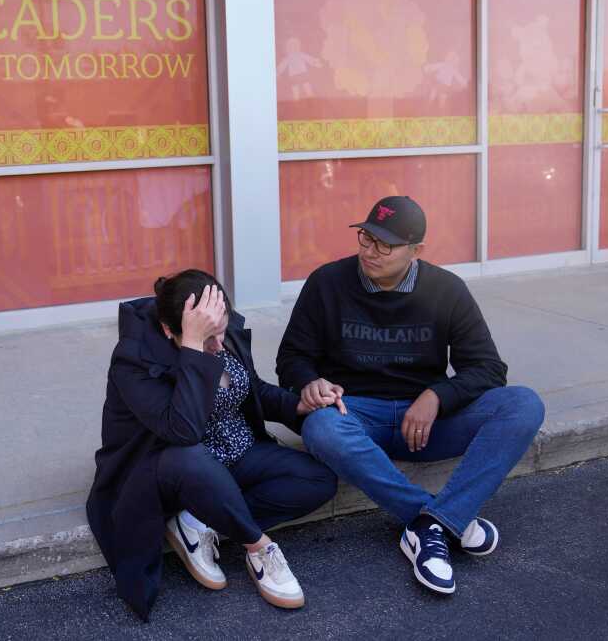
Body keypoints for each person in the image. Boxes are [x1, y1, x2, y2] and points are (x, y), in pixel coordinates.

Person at [276, 195, 545, 595]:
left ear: (416, 250)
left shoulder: (446, 290)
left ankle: (433, 522)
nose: (370, 251)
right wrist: (309, 382)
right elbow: (292, 358)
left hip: (426, 424)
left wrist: (437, 396)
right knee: (321, 428)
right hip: (355, 414)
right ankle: (438, 520)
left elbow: (489, 369)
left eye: (385, 244)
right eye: (366, 238)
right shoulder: (327, 283)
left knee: (523, 405)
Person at [87, 270, 337, 620]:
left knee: (317, 480)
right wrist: (193, 349)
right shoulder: (134, 360)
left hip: (233, 453)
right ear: (168, 331)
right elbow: (183, 431)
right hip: (166, 469)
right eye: (208, 340)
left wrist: (300, 403)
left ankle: (201, 521)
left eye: (221, 333)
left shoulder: (220, 330)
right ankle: (259, 548)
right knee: (192, 458)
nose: (219, 347)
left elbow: (251, 388)